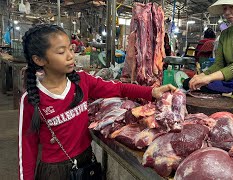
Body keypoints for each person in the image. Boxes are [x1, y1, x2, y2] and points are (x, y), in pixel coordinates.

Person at [18, 24, 176, 180]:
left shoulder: (81, 81)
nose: (70, 56)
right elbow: (27, 148)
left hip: (86, 161)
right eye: (61, 51)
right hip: (55, 171)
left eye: (70, 49)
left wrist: (151, 92)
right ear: (39, 60)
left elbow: (119, 89)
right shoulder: (32, 99)